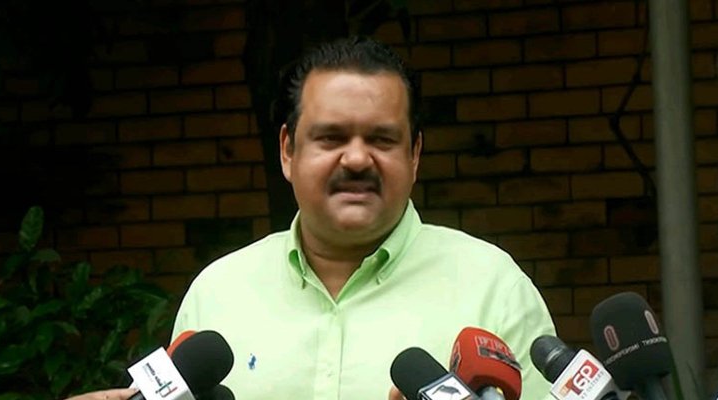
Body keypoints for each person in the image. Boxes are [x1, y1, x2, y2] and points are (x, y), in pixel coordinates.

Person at [172, 36, 556, 400]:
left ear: (414, 154)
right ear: (288, 151)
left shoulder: (494, 288)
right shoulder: (217, 294)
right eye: (331, 137)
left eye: (382, 139)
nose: (356, 160)